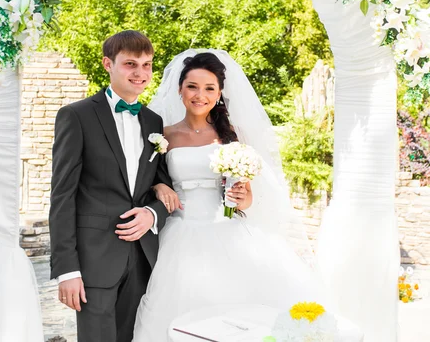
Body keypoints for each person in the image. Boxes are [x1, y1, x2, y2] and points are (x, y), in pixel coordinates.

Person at [133, 50, 326, 341]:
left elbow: (247, 199)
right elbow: (144, 180)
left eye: (210, 88)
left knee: (240, 317)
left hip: (228, 228)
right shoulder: (163, 135)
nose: (201, 95)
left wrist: (241, 195)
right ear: (179, 90)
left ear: (220, 93)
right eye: (193, 87)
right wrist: (158, 187)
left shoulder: (231, 135)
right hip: (181, 233)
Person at [49, 30, 179, 342]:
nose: (141, 73)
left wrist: (152, 213)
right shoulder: (76, 116)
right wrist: (67, 270)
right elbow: (62, 196)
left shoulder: (153, 122)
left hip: (143, 259)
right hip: (94, 260)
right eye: (130, 64)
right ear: (108, 64)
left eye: (147, 65)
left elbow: (162, 186)